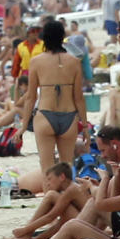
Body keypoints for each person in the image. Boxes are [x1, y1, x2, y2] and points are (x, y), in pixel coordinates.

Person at [22, 16, 87, 175]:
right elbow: (79, 97)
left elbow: (31, 97)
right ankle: (66, 199)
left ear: (44, 39)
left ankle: (49, 199)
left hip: (45, 115)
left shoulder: (36, 62)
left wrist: (23, 126)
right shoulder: (74, 62)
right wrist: (85, 126)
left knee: (47, 169)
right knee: (67, 168)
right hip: (69, 116)